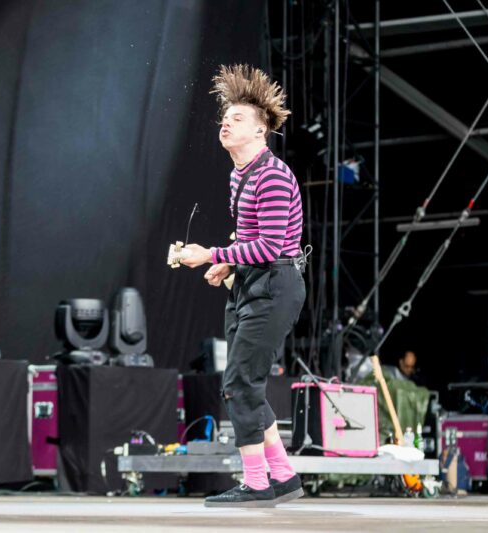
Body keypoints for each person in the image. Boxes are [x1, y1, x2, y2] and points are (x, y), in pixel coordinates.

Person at [180, 64, 306, 507]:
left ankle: (256, 483)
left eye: (236, 119)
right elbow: (252, 240)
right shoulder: (239, 175)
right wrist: (229, 265)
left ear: (259, 131)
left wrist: (211, 255)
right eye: (224, 118)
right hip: (251, 283)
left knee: (238, 383)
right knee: (245, 383)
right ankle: (283, 477)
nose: (225, 124)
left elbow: (271, 245)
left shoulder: (271, 175)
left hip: (275, 284)